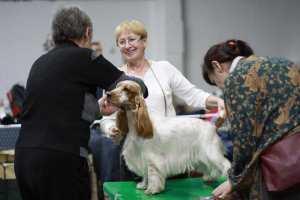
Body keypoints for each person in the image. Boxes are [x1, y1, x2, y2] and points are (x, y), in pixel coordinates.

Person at [14, 6, 148, 200]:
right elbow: (137, 87)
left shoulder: (40, 62)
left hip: (25, 158)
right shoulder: (85, 57)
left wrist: (97, 109)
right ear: (87, 33)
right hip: (61, 159)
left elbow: (58, 106)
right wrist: (139, 81)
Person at [99, 20, 225, 181]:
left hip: (170, 151)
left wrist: (218, 102)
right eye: (121, 42)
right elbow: (106, 118)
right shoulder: (113, 76)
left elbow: (193, 94)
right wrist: (111, 129)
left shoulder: (164, 68)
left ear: (144, 41)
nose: (127, 46)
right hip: (135, 154)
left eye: (132, 39)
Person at [201, 39, 300, 200]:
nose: (220, 87)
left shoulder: (236, 79)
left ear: (217, 66)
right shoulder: (281, 64)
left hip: (284, 169)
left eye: (215, 82)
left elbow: (244, 142)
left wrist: (234, 180)